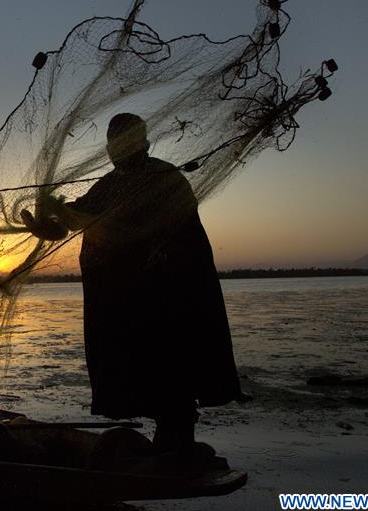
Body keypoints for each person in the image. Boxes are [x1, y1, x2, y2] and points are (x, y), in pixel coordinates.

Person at [22, 113, 242, 461]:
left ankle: (177, 446)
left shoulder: (166, 177)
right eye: (113, 144)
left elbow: (180, 233)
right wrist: (47, 223)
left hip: (172, 296)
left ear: (142, 142)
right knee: (146, 367)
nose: (117, 150)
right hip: (128, 301)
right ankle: (171, 445)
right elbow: (78, 218)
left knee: (175, 367)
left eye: (125, 141)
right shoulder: (109, 185)